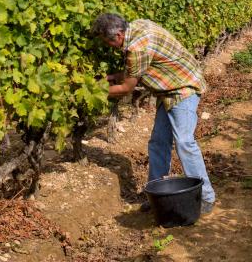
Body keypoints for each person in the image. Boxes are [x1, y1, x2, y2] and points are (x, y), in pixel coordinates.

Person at [91, 13, 216, 214]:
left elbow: (126, 88)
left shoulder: (137, 48)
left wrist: (92, 91)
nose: (108, 46)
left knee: (184, 142)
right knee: (158, 142)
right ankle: (157, 194)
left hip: (183, 89)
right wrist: (113, 76)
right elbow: (139, 69)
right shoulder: (138, 27)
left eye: (108, 42)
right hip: (167, 90)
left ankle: (206, 197)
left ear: (119, 35)